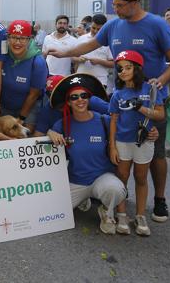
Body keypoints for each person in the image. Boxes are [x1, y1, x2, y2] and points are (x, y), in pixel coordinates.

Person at [47, 0, 170, 223]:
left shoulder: (157, 24)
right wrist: (64, 52)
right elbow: (88, 45)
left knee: (155, 153)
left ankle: (160, 200)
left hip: (151, 100)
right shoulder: (113, 25)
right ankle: (120, 194)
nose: (116, 9)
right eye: (115, 5)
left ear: (134, 3)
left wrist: (160, 82)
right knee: (122, 150)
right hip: (121, 99)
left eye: (120, 5)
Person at [47, 73, 136, 235]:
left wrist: (152, 133)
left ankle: (106, 211)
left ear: (89, 98)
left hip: (101, 177)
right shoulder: (62, 124)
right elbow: (49, 136)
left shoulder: (104, 121)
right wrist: (50, 132)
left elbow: (129, 131)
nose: (80, 100)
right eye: (74, 97)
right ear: (68, 102)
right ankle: (83, 199)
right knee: (53, 209)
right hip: (76, 180)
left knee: (115, 190)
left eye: (84, 95)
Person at [109, 51, 165, 236]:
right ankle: (122, 213)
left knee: (141, 177)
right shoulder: (117, 94)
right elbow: (114, 121)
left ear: (137, 68)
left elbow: (160, 114)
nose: (123, 72)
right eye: (119, 68)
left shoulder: (150, 89)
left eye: (128, 67)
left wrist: (141, 108)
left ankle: (140, 215)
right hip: (122, 141)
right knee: (122, 177)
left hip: (144, 140)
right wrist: (112, 146)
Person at [0, 20, 48, 132]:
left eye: (22, 38)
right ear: (8, 38)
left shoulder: (38, 62)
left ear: (29, 40)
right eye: (14, 37)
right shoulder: (2, 55)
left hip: (29, 107)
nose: (17, 42)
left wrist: (21, 118)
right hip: (5, 105)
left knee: (23, 137)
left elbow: (34, 94)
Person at [74, 14, 114, 89]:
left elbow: (113, 64)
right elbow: (72, 57)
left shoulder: (108, 42)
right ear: (90, 25)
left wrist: (99, 61)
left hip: (100, 81)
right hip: (81, 79)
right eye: (93, 28)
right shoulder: (81, 39)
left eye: (99, 29)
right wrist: (79, 59)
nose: (95, 31)